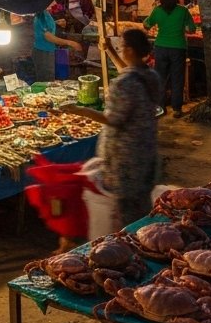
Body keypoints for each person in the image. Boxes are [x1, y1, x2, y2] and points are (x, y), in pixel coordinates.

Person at [63, 29, 162, 227]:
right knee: (142, 205)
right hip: (147, 151)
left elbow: (111, 119)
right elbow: (127, 72)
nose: (120, 49)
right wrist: (109, 50)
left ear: (131, 50)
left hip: (125, 158)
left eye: (122, 46)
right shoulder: (150, 75)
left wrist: (78, 110)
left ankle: (130, 247)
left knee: (126, 212)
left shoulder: (124, 85)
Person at [144, 0, 193, 118]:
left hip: (161, 47)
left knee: (160, 78)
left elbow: (146, 24)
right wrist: (183, 27)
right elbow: (192, 29)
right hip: (178, 48)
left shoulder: (157, 10)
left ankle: (161, 107)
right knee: (178, 78)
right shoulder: (183, 11)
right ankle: (177, 109)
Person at [32, 2, 82, 82]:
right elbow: (48, 37)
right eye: (52, 0)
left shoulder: (45, 13)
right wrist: (71, 43)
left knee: (53, 77)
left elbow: (44, 27)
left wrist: (55, 23)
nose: (55, 3)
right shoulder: (40, 15)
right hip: (43, 52)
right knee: (46, 80)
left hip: (50, 49)